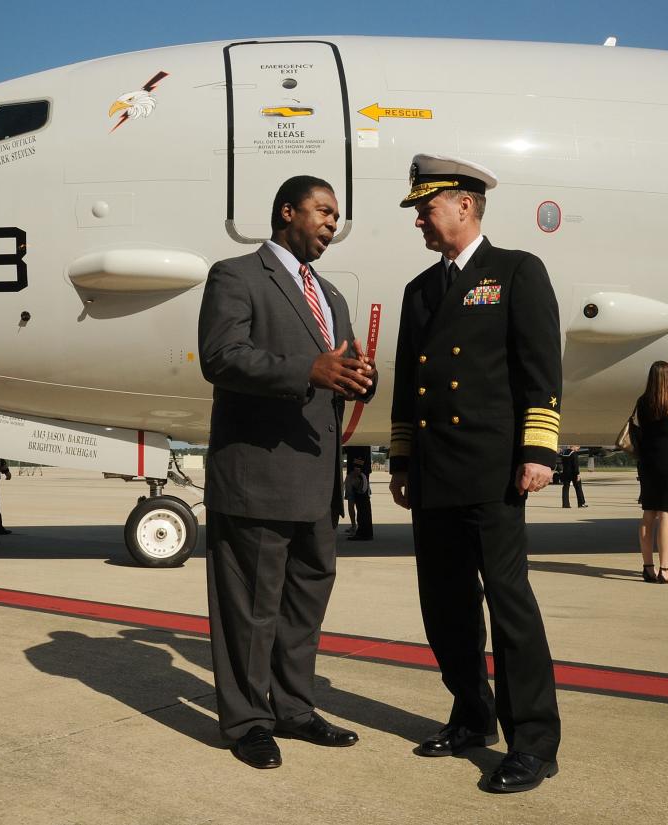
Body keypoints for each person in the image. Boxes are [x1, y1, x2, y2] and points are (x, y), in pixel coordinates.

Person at [389, 154, 562, 794]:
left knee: (509, 604)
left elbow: (540, 366)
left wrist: (538, 450)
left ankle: (535, 742)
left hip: (493, 472)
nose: (419, 223)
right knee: (445, 606)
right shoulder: (419, 290)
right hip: (434, 475)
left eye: (426, 210)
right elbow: (410, 383)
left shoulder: (516, 271)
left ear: (464, 204)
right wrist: (402, 460)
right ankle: (471, 714)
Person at [198, 174, 377, 769]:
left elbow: (336, 373)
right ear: (285, 212)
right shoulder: (237, 275)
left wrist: (358, 379)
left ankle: (295, 709)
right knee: (250, 608)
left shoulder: (332, 295)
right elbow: (222, 357)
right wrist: (310, 370)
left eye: (335, 214)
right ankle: (247, 721)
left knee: (304, 603)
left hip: (316, 478)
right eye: (323, 211)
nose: (332, 223)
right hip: (256, 474)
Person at [633, 362, 668, 583]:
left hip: (647, 462)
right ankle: (665, 569)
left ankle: (648, 567)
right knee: (666, 515)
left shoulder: (642, 402)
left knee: (648, 515)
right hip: (667, 462)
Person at [347, 457, 373, 541]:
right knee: (363, 506)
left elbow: (359, 452)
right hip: (360, 472)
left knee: (362, 506)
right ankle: (365, 532)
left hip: (358, 474)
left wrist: (357, 469)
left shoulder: (358, 446)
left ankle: (363, 532)